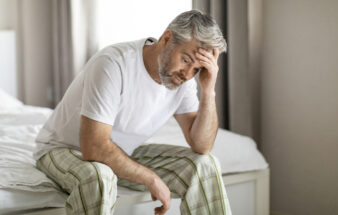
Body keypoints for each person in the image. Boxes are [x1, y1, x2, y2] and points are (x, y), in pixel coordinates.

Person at [34, 9, 231, 215]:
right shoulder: (113, 63)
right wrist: (150, 177)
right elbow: (94, 147)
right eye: (186, 60)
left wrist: (209, 91)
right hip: (66, 148)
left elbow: (202, 145)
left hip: (122, 152)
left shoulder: (183, 79)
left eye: (198, 69)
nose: (188, 74)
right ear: (166, 39)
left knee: (205, 165)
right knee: (100, 176)